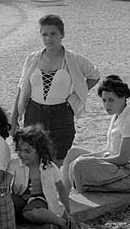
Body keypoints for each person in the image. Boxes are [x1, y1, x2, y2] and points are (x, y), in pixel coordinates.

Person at [12, 14, 100, 167]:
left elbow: (94, 75)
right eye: (44, 34)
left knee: (57, 163)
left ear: (62, 34)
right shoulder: (32, 59)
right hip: (34, 113)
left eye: (53, 33)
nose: (49, 38)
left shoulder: (73, 59)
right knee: (32, 160)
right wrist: (14, 118)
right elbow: (22, 88)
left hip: (61, 115)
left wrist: (76, 95)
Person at [63, 75, 130, 193]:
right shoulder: (116, 115)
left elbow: (123, 159)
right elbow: (108, 150)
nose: (107, 105)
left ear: (123, 98)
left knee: (79, 165)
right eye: (104, 100)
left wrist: (90, 160)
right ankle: (66, 195)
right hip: (117, 166)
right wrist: (90, 157)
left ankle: (81, 195)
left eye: (111, 100)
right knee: (71, 153)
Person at [6, 125, 73, 229]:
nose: (22, 154)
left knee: (31, 213)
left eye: (27, 151)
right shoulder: (15, 164)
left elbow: (61, 188)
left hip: (39, 201)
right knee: (7, 200)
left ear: (39, 150)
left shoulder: (49, 167)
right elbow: (5, 183)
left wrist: (67, 210)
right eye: (20, 150)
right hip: (20, 199)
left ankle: (62, 223)